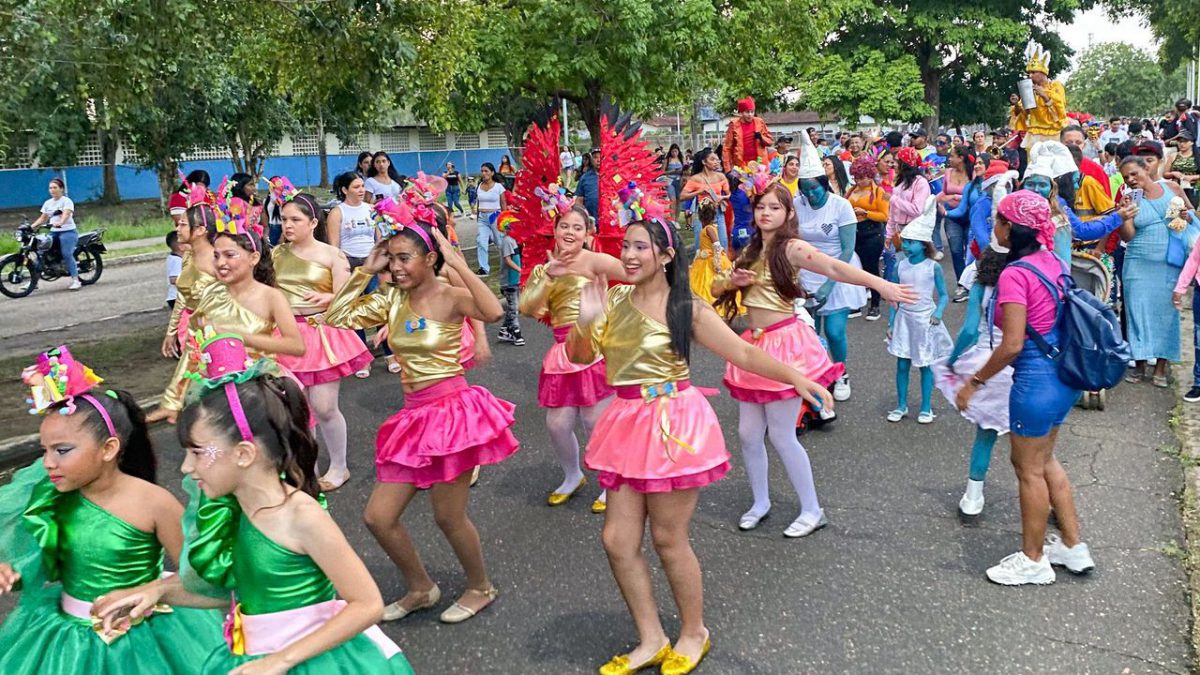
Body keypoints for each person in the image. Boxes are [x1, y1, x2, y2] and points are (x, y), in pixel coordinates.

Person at [567, 212, 834, 675]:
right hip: (626, 421)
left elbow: (744, 351)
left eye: (640, 248)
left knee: (669, 539)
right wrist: (584, 320)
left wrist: (798, 377)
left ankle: (694, 632)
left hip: (672, 423)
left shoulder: (684, 306)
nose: (628, 256)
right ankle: (650, 637)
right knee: (617, 539)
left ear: (667, 256)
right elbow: (578, 356)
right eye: (625, 246)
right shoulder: (611, 300)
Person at [98, 336, 414, 673]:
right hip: (252, 659)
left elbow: (367, 604)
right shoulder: (233, 510)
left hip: (312, 663)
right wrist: (156, 591)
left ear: (244, 453)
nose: (186, 468)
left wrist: (281, 661)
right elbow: (240, 592)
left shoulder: (301, 515)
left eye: (197, 453)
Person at [324, 207, 516, 625]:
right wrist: (363, 272)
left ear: (430, 259)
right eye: (391, 258)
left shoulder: (449, 295)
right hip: (413, 418)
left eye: (404, 257)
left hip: (452, 417)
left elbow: (493, 311)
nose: (396, 266)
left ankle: (480, 586)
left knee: (448, 516)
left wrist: (456, 257)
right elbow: (335, 317)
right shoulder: (392, 297)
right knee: (378, 517)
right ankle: (420, 587)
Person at [0, 349, 227, 674]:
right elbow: (49, 566)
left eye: (62, 451)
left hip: (144, 646)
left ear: (108, 448)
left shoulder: (154, 503)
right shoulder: (54, 500)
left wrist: (153, 590)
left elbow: (202, 579)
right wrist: (15, 574)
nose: (48, 462)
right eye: (45, 450)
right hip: (66, 645)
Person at [714, 181, 911, 536]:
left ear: (789, 213)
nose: (765, 213)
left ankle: (812, 509)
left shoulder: (792, 248)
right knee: (746, 434)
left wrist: (880, 285)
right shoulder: (750, 250)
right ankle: (760, 502)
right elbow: (715, 289)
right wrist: (730, 283)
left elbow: (834, 268)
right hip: (753, 348)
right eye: (761, 206)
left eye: (774, 207)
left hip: (785, 346)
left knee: (782, 434)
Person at [956, 190, 1094, 586]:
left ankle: (1033, 559)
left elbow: (1012, 343)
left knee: (1028, 470)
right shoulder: (1050, 260)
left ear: (1011, 228)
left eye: (999, 219)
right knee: (1047, 460)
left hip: (1035, 381)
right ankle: (1071, 545)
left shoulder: (1015, 274)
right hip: (1062, 377)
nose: (994, 225)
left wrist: (975, 382)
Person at [519, 203, 628, 513]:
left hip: (594, 349)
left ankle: (610, 480)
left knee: (595, 421)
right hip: (562, 354)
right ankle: (572, 475)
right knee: (557, 424)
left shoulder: (595, 261)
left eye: (577, 227)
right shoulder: (545, 268)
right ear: (554, 230)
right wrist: (548, 278)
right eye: (564, 226)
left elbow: (635, 273)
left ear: (587, 233)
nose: (569, 232)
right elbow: (527, 309)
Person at [272, 191, 372, 492]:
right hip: (286, 336)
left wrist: (330, 297)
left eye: (295, 219)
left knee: (325, 407)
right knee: (295, 409)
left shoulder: (332, 255)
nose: (288, 225)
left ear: (313, 222)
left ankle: (339, 466)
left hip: (322, 333)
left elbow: (348, 297)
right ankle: (307, 467)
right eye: (284, 219)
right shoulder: (275, 254)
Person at [934, 243, 1015, 515]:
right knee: (1033, 442)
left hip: (987, 365)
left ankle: (972, 497)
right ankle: (1049, 497)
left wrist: (952, 360)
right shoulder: (1022, 285)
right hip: (1020, 367)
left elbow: (969, 331)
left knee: (985, 435)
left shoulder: (982, 287)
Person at [793, 132, 870, 400]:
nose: (810, 195)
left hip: (838, 269)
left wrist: (829, 283)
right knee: (810, 334)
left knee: (835, 332)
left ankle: (841, 372)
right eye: (805, 190)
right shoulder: (797, 205)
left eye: (815, 189)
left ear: (825, 184)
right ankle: (816, 377)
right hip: (806, 274)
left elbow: (848, 249)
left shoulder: (841, 206)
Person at [1119, 156, 1191, 386]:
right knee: (1136, 312)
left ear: (1146, 169)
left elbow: (1188, 217)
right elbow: (1127, 236)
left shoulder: (1171, 188)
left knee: (1166, 313)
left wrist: (1184, 217)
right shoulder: (1129, 199)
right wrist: (1125, 216)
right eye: (1126, 177)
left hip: (1170, 261)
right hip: (1138, 262)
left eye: (1134, 174)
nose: (1131, 179)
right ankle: (1139, 364)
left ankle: (1161, 365)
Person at [887, 198, 953, 424]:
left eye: (911, 242)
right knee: (902, 363)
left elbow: (943, 295)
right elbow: (894, 296)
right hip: (905, 319)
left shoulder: (932, 267)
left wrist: (938, 313)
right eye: (904, 242)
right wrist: (891, 322)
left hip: (925, 320)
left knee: (925, 364)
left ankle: (926, 407)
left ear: (924, 244)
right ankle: (901, 404)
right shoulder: (900, 265)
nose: (906, 246)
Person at [328, 172, 384, 378]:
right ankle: (361, 359)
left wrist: (379, 261)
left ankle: (390, 353)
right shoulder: (337, 213)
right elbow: (334, 246)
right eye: (356, 187)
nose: (361, 190)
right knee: (355, 313)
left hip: (371, 262)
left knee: (379, 308)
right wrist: (340, 270)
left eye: (362, 186)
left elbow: (379, 238)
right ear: (344, 190)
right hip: (349, 264)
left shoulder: (371, 210)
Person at [847, 155, 890, 320]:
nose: (859, 181)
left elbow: (885, 216)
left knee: (871, 269)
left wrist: (866, 213)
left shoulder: (880, 191)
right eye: (856, 177)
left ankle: (875, 305)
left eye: (863, 177)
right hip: (854, 232)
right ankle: (856, 304)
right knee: (855, 269)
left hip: (873, 232)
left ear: (870, 175)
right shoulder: (851, 191)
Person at [885, 147, 932, 280]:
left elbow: (917, 210)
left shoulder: (921, 183)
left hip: (915, 233)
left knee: (914, 269)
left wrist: (894, 199)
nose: (893, 165)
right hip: (900, 231)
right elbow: (893, 213)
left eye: (896, 161)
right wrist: (889, 234)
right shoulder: (900, 183)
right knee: (900, 268)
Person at [1014, 42, 1067, 150]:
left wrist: (1045, 96)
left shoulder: (1055, 86)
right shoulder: (1029, 89)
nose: (1030, 75)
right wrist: (1016, 104)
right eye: (1029, 73)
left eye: (1033, 72)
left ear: (1043, 72)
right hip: (1034, 133)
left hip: (1053, 133)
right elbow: (1025, 113)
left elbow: (1060, 113)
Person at [30, 178, 81, 290]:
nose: (52, 190)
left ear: (61, 189)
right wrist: (31, 227)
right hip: (54, 232)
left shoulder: (66, 201)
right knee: (41, 252)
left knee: (67, 253)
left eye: (55, 187)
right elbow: (43, 218)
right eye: (50, 188)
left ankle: (76, 280)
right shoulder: (48, 203)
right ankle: (34, 283)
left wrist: (61, 222)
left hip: (68, 232)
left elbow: (66, 214)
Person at [679, 148, 731, 249]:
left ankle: (722, 265)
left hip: (718, 213)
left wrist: (722, 197)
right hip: (701, 215)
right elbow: (682, 196)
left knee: (722, 246)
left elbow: (729, 195)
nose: (716, 162)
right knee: (702, 248)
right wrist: (699, 192)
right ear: (704, 162)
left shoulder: (721, 177)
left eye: (717, 159)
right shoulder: (696, 178)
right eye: (712, 159)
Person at [688, 201, 732, 305]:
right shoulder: (707, 228)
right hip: (704, 258)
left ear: (700, 215)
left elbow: (717, 245)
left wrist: (717, 262)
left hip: (710, 260)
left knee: (708, 281)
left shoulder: (709, 229)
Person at [473, 162, 508, 276]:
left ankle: (507, 264)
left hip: (495, 216)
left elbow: (503, 204)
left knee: (499, 242)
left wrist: (505, 221)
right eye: (482, 171)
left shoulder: (498, 187)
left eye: (486, 171)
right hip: (483, 218)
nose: (483, 173)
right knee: (481, 242)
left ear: (492, 173)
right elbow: (478, 202)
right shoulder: (479, 186)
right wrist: (478, 216)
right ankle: (483, 268)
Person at [722, 97, 773, 171]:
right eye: (747, 112)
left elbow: (770, 141)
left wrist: (761, 137)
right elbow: (727, 148)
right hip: (741, 166)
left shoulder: (760, 122)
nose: (750, 115)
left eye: (752, 112)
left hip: (760, 165)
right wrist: (728, 169)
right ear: (741, 113)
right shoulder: (734, 125)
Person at [497, 214, 524, 346]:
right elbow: (508, 260)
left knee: (513, 307)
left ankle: (504, 330)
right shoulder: (507, 241)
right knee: (514, 307)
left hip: (514, 280)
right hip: (508, 281)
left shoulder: (513, 240)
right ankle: (516, 333)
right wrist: (520, 270)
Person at [1164, 129, 1199, 205]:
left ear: (1191, 142)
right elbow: (1165, 174)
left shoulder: (1197, 157)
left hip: (1193, 189)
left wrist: (1192, 177)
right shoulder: (1173, 156)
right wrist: (1173, 173)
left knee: (1191, 211)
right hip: (1176, 188)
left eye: (1185, 141)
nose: (1182, 144)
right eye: (1180, 141)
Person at [662, 144, 687, 222]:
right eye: (673, 151)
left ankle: (676, 219)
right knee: (673, 200)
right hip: (670, 180)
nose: (674, 153)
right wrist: (672, 171)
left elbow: (686, 169)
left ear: (679, 151)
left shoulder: (682, 159)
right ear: (670, 151)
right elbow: (662, 172)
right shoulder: (668, 159)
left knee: (679, 200)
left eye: (676, 151)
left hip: (679, 181)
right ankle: (672, 219)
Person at [575, 149, 600, 219]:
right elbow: (579, 200)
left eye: (601, 157)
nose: (598, 160)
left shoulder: (613, 177)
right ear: (591, 160)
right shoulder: (585, 177)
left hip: (610, 221)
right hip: (591, 220)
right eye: (595, 157)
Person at [165, 230, 184, 310]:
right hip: (177, 297)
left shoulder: (174, 258)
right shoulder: (177, 260)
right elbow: (173, 279)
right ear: (180, 246)